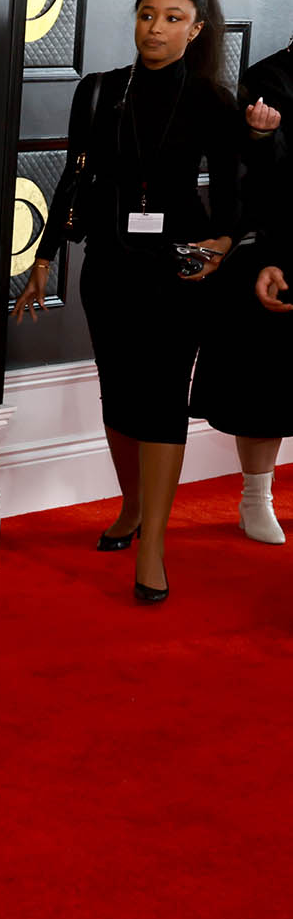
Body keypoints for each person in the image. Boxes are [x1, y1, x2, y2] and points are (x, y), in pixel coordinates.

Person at [13, 0, 240, 603]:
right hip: (110, 266)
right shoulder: (100, 92)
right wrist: (45, 255)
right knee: (119, 393)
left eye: (172, 19)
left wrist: (220, 245)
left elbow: (230, 192)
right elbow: (73, 178)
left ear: (196, 30)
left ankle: (155, 546)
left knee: (164, 396)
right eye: (147, 15)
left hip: (178, 273)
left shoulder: (211, 101)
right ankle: (133, 507)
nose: (156, 29)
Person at [189, 33, 290, 542]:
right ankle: (256, 499)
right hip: (282, 244)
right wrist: (260, 136)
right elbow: (258, 181)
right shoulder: (269, 79)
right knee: (265, 384)